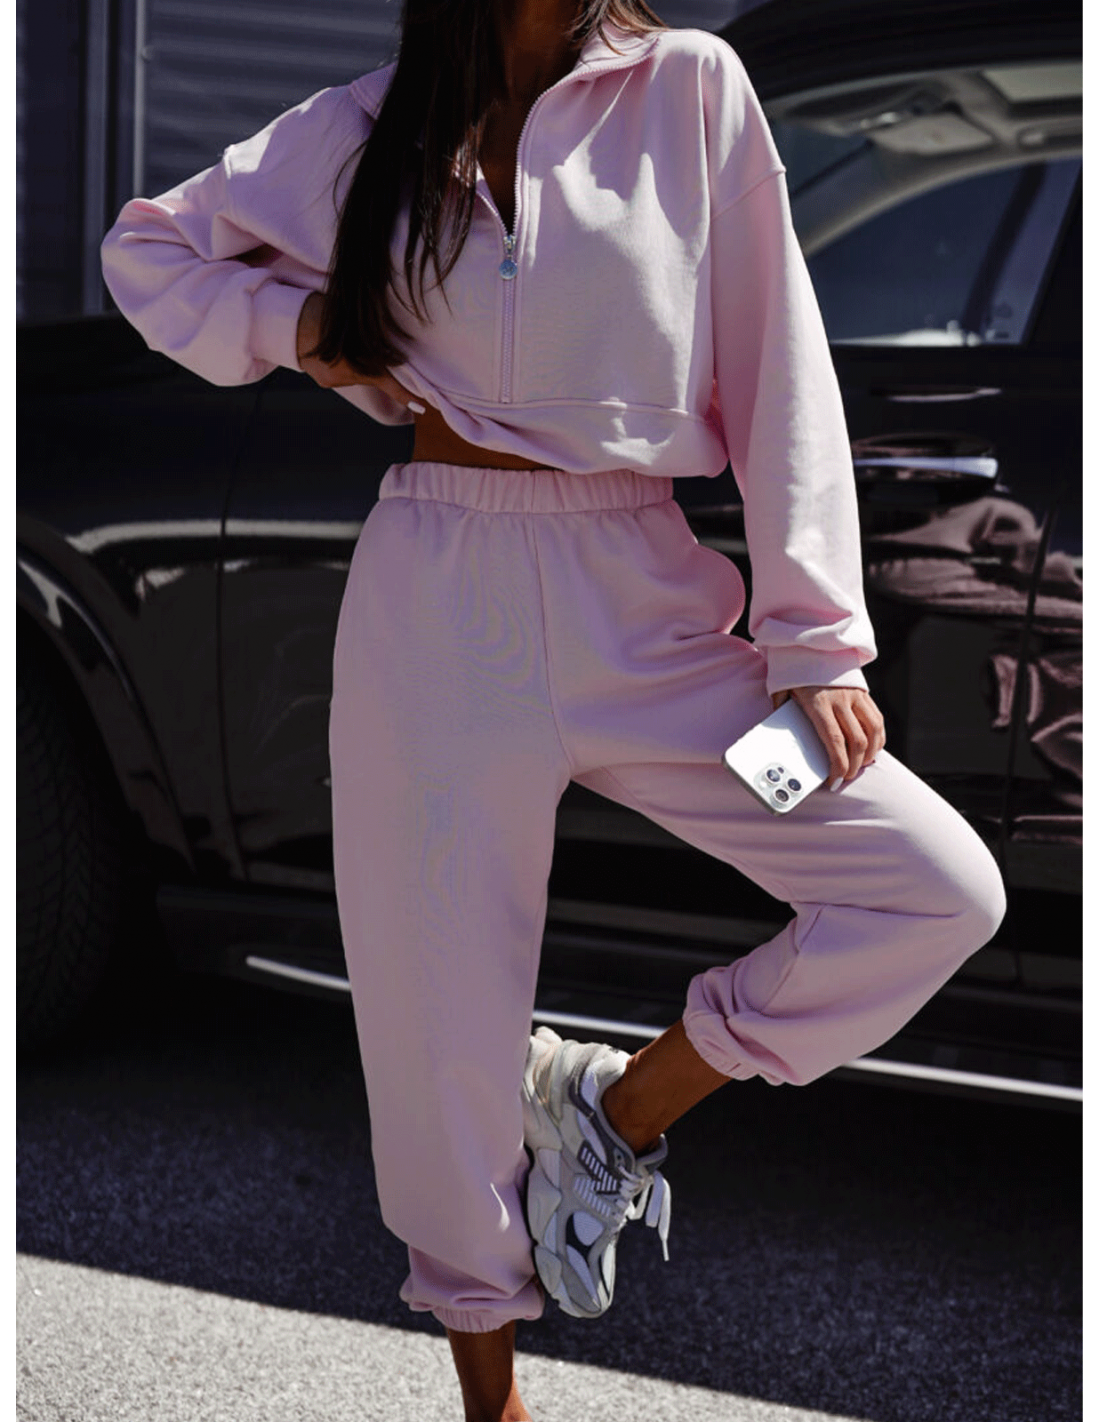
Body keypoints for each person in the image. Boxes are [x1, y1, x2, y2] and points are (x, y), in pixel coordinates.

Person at [100, 0, 1008, 1417]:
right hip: (437, 601)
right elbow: (147, 252)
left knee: (934, 884)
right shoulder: (367, 126)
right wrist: (306, 325)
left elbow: (782, 362)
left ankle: (611, 1109)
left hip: (646, 602)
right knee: (436, 1026)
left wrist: (817, 640)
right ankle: (492, 1401)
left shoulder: (692, 89)